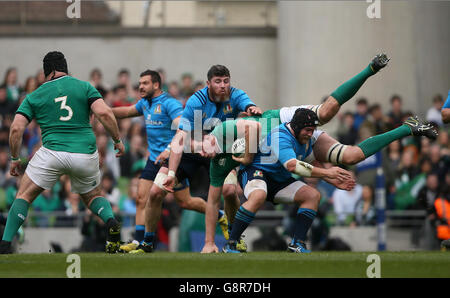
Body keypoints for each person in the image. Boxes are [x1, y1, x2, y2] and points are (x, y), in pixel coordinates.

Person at [0, 51, 125, 254]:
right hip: (85, 153)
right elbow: (104, 112)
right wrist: (117, 140)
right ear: (65, 68)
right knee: (93, 196)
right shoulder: (85, 86)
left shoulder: (35, 95)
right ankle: (110, 221)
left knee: (23, 196)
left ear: (47, 73)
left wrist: (15, 159)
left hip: (52, 153)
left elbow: (15, 128)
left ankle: (5, 244)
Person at [111, 69, 228, 253]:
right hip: (153, 159)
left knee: (185, 202)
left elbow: (184, 127)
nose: (141, 86)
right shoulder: (145, 104)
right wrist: (102, 111)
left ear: (156, 85)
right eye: (140, 83)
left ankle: (219, 214)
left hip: (173, 157)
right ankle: (139, 240)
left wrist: (168, 149)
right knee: (143, 197)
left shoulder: (170, 104)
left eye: (145, 83)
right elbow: (126, 111)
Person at [157, 64, 262, 254]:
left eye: (226, 81)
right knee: (156, 191)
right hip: (195, 149)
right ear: (208, 83)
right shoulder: (196, 101)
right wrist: (171, 171)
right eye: (218, 81)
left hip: (222, 150)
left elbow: (249, 105)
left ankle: (234, 236)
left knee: (229, 191)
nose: (223, 85)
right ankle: (145, 242)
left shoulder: (236, 95)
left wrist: (252, 108)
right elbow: (181, 137)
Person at [223, 109, 356, 253]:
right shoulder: (280, 135)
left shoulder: (306, 139)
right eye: (308, 130)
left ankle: (297, 244)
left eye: (313, 130)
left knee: (313, 196)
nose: (311, 134)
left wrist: (332, 180)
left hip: (278, 179)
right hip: (256, 172)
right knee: (259, 195)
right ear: (297, 126)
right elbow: (292, 166)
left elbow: (312, 162)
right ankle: (232, 243)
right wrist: (328, 173)